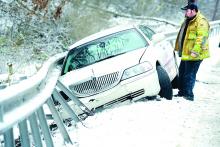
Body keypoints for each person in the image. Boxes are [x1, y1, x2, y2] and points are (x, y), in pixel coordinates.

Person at [174, 3, 210, 101]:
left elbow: (202, 38)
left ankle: (189, 95)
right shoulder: (187, 20)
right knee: (182, 73)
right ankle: (181, 92)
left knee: (189, 74)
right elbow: (183, 36)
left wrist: (195, 51)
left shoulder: (201, 21)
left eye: (187, 11)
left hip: (195, 54)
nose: (185, 13)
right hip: (186, 53)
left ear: (193, 11)